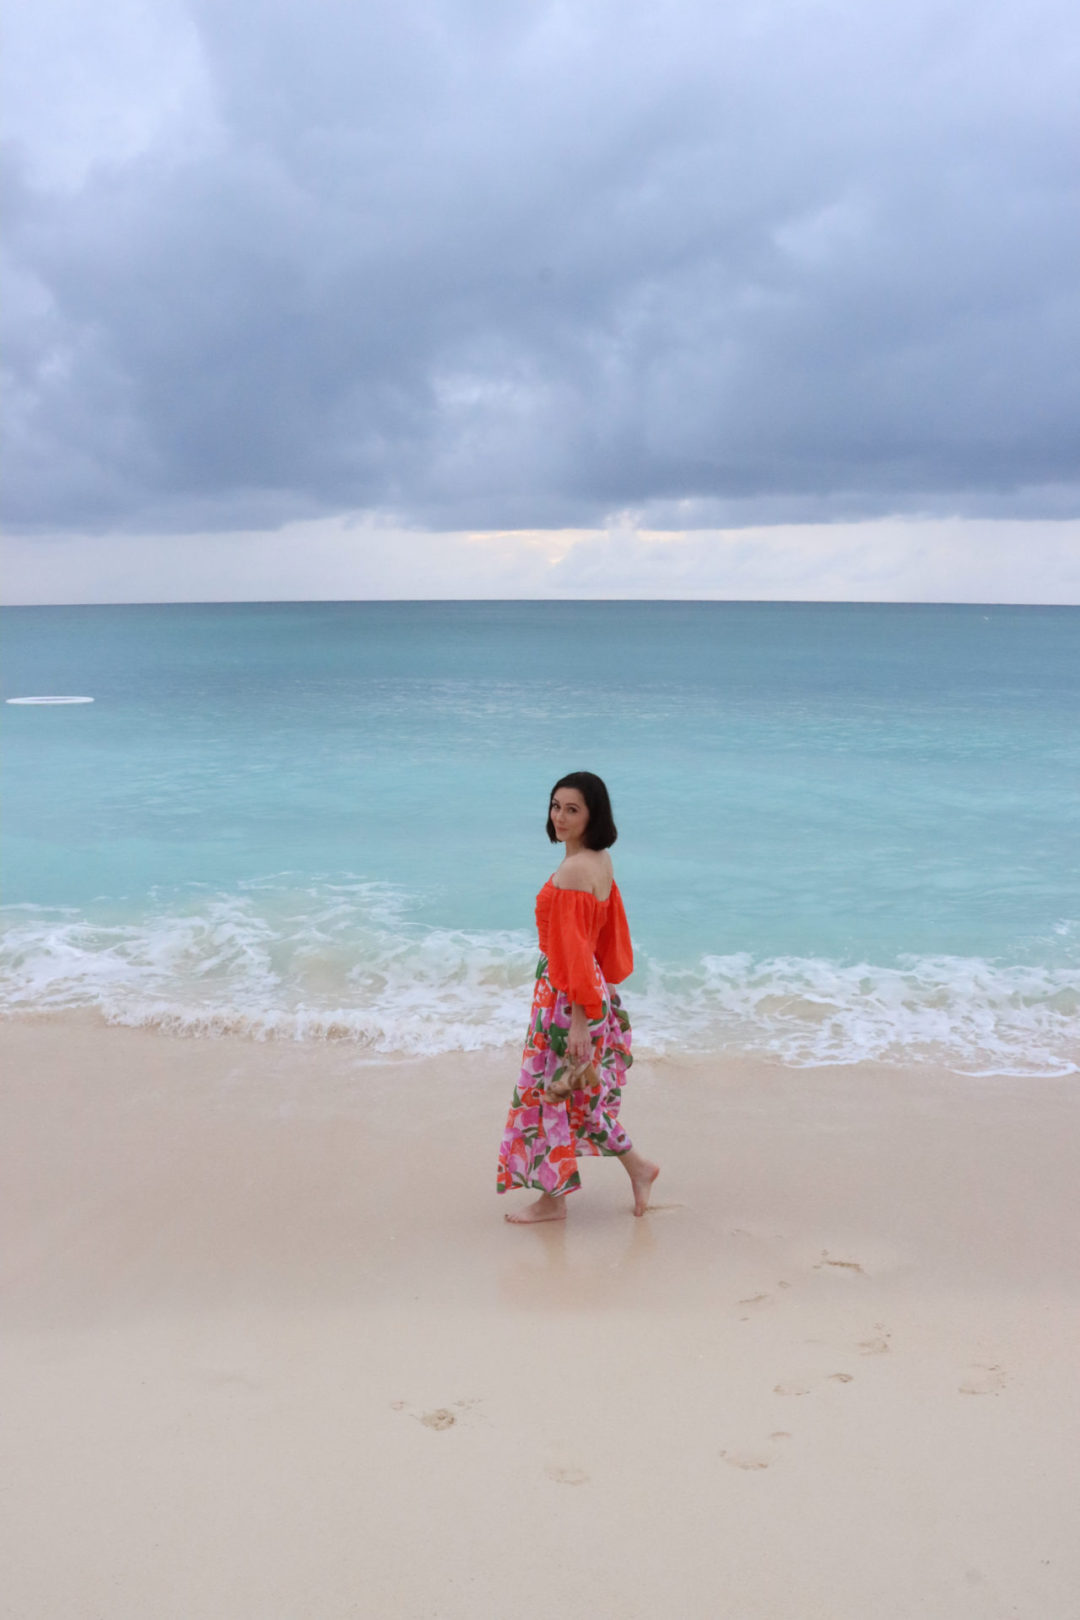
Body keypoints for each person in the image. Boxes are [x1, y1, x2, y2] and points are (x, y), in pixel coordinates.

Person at [497, 771, 659, 1224]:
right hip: (588, 989)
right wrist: (605, 991)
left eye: (573, 809)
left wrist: (580, 1019)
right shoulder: (600, 860)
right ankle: (640, 1168)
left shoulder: (573, 871)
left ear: (593, 815)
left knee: (546, 1098)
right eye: (556, 806)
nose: (560, 817)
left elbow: (573, 949)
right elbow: (603, 934)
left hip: (566, 999)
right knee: (580, 1099)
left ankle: (553, 1201)